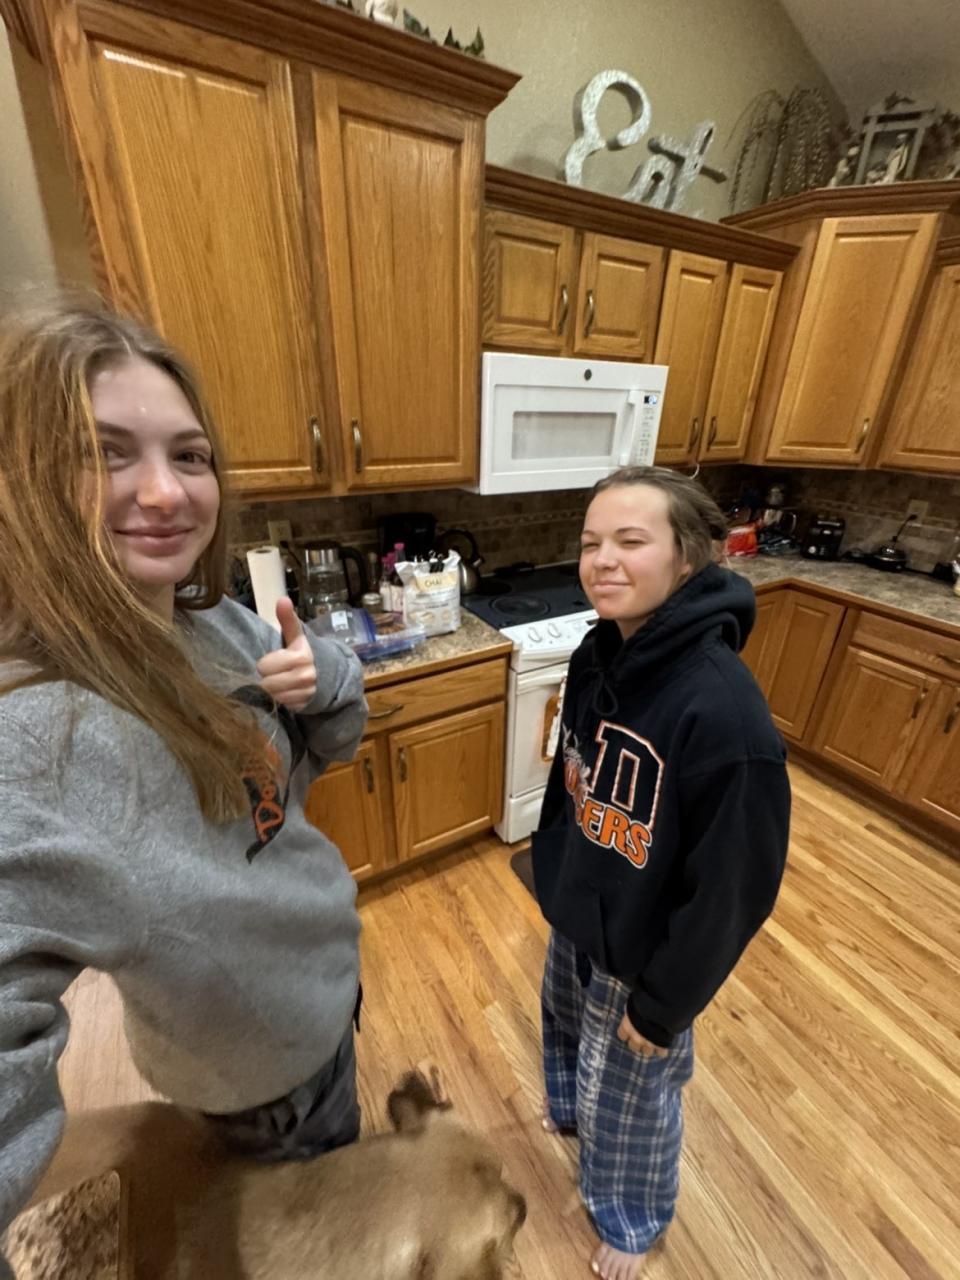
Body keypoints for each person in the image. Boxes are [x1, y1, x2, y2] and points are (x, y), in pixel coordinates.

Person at [0, 296, 368, 1261]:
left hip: (323, 999)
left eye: (189, 455)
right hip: (265, 1083)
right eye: (105, 452)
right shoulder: (37, 737)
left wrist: (328, 679)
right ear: (23, 479)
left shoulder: (215, 626)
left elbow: (325, 750)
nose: (164, 492)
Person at [532, 466, 790, 1280]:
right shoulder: (598, 652)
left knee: (634, 1097)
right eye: (590, 543)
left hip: (646, 951)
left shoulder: (725, 715)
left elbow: (735, 890)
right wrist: (555, 872)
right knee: (566, 1033)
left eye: (630, 541)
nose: (602, 560)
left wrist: (666, 1004)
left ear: (687, 558)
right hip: (584, 906)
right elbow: (571, 780)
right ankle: (569, 1114)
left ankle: (633, 1219)